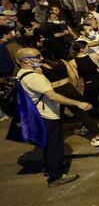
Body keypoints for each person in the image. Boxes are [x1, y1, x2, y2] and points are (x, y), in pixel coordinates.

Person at [15, 47, 92, 188]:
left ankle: (51, 168)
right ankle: (55, 177)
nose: (41, 58)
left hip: (37, 115)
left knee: (48, 146)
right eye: (37, 57)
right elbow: (53, 96)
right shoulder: (35, 77)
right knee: (55, 147)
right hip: (47, 116)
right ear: (25, 60)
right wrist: (78, 103)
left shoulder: (22, 73)